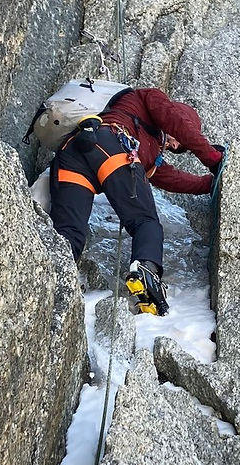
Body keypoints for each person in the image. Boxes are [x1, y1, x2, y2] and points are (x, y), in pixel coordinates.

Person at [49, 86, 223, 315]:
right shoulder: (150, 98)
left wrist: (212, 183)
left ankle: (48, 276)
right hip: (112, 144)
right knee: (145, 221)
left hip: (73, 155)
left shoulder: (150, 155)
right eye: (178, 140)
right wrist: (213, 157)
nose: (173, 145)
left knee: (68, 235)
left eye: (178, 149)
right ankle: (146, 270)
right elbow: (175, 121)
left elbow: (171, 179)